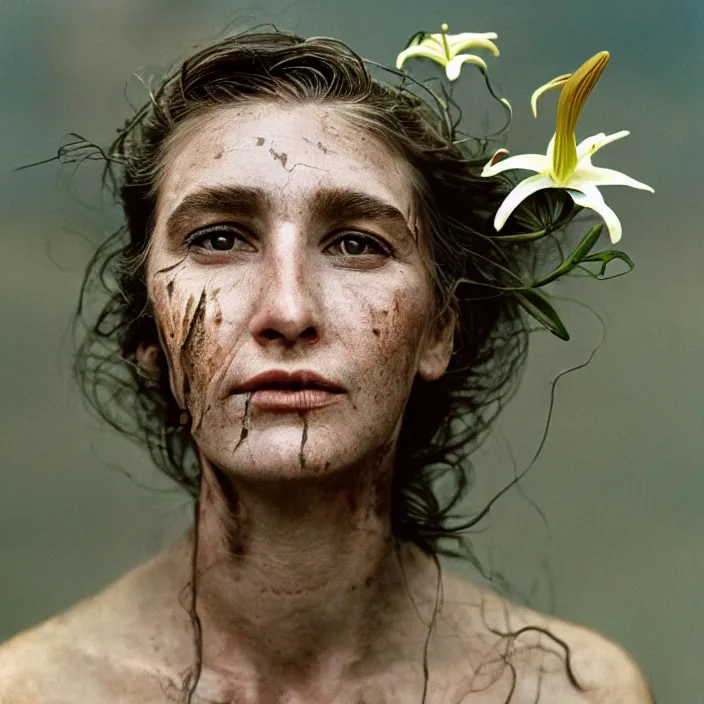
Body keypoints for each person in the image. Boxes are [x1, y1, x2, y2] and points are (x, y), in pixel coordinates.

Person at [0, 26, 654, 703]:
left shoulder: (572, 692)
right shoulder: (30, 690)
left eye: (356, 244)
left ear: (440, 329)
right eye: (219, 238)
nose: (287, 310)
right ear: (150, 335)